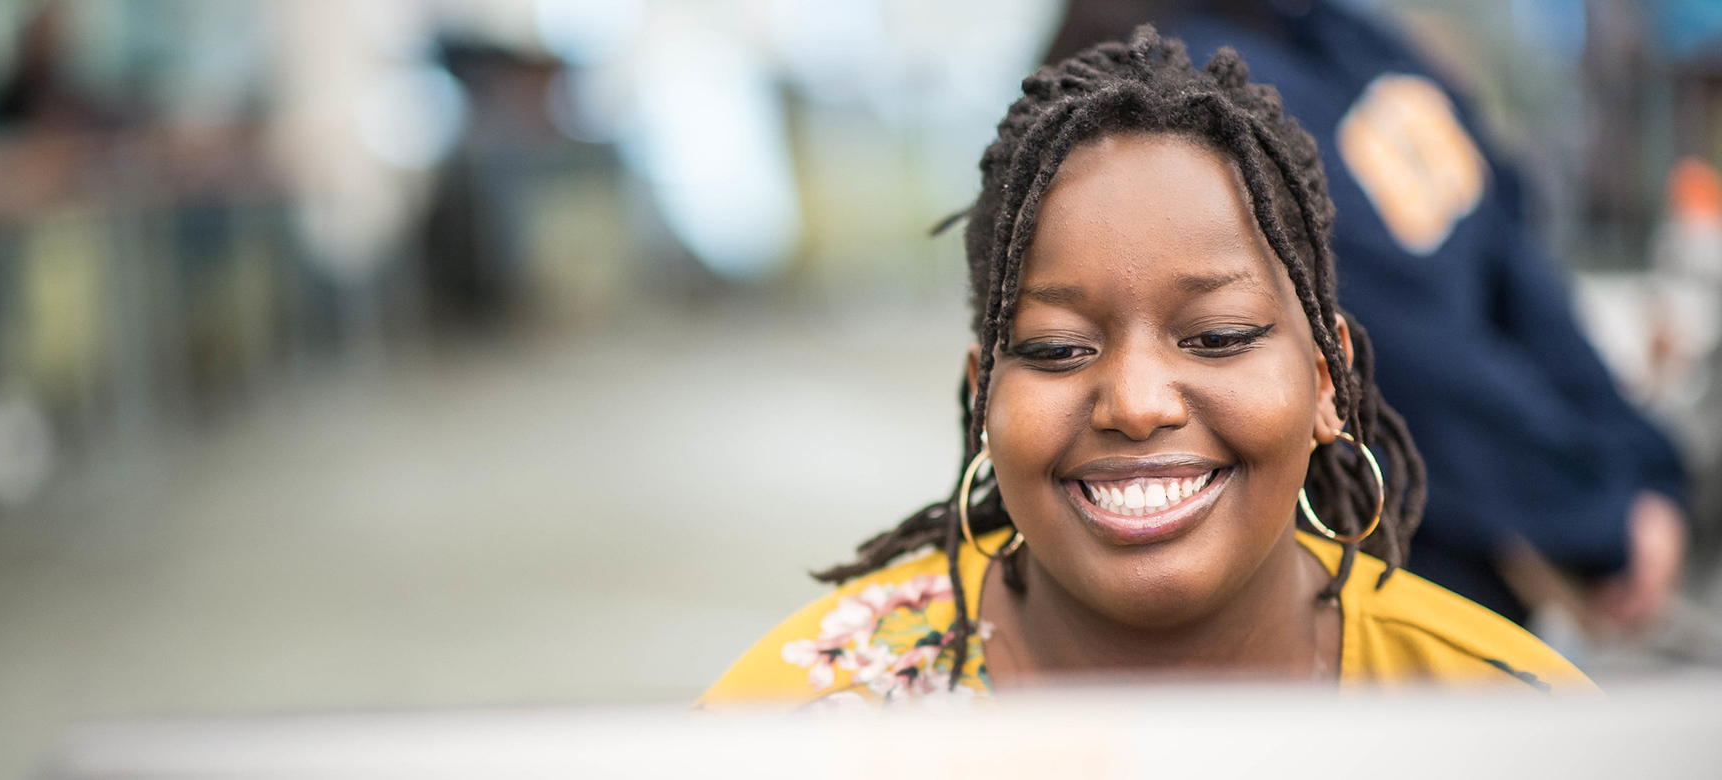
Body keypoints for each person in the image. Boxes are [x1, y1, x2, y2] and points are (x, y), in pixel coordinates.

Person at [698, 28, 1589, 709]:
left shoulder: (1511, 716)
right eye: (1055, 350)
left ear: (1328, 381)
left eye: (1218, 336)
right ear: (982, 397)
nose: (1134, 402)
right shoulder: (797, 723)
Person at [1037, 0, 1691, 632]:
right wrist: (1601, 516)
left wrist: (1639, 469)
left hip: (1472, 575)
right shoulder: (1193, 86)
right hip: (1352, 597)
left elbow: (1510, 258)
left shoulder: (1352, 43)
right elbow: (1411, 356)